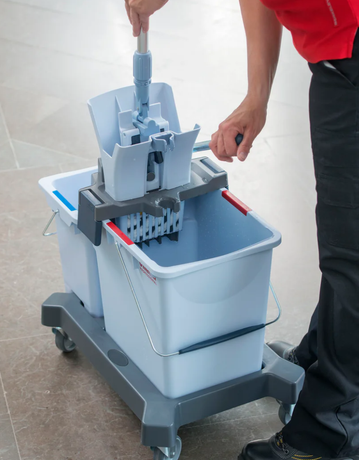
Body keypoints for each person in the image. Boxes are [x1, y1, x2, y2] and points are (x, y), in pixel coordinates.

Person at [125, 1, 359, 459]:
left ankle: (331, 433)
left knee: (351, 250)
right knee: (343, 238)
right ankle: (324, 358)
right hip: (338, 56)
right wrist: (257, 96)